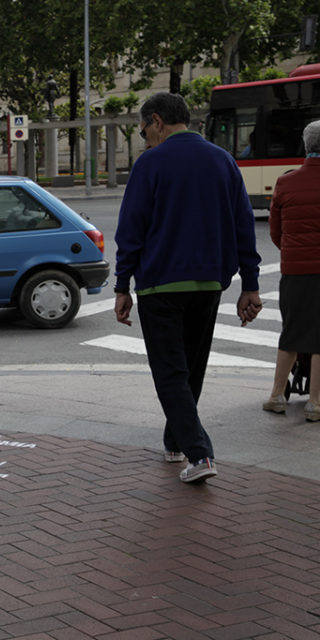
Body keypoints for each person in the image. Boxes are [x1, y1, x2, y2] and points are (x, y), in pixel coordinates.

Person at [114, 92, 262, 485]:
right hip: (209, 283)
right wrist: (250, 283)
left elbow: (131, 229)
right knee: (190, 369)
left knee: (169, 373)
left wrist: (122, 284)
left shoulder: (150, 163)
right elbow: (243, 224)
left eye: (144, 129)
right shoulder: (222, 160)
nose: (144, 138)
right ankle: (175, 441)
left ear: (158, 121)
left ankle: (200, 454)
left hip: (160, 285)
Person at [262, 120, 320, 421]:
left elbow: (276, 232)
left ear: (306, 145)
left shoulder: (285, 182)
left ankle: (277, 396)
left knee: (292, 332)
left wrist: (295, 253)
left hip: (295, 270)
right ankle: (315, 403)